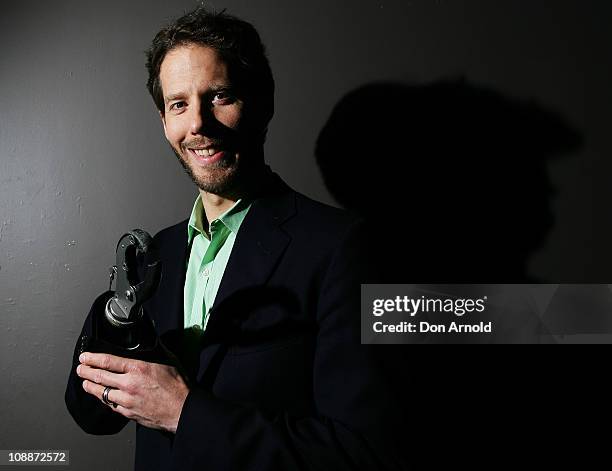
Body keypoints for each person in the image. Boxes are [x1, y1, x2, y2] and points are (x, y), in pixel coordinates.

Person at [65, 6, 405, 471]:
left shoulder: (341, 249)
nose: (198, 123)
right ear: (163, 119)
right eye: (178, 104)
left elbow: (361, 452)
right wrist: (112, 320)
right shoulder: (153, 257)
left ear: (262, 104)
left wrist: (182, 413)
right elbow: (91, 417)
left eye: (220, 95)